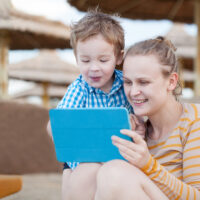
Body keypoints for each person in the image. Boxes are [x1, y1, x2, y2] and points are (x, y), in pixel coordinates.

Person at [63, 36, 200, 200]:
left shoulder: (194, 120)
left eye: (143, 82)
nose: (133, 92)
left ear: (171, 82)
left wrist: (148, 165)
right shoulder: (137, 130)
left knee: (114, 173)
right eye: (128, 82)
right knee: (87, 171)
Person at [46, 10, 142, 200]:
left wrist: (138, 126)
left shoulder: (126, 84)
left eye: (103, 60)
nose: (94, 68)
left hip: (121, 156)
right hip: (85, 158)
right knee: (86, 174)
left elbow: (143, 117)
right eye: (85, 60)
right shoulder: (79, 88)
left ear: (119, 57)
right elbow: (57, 126)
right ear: (76, 58)